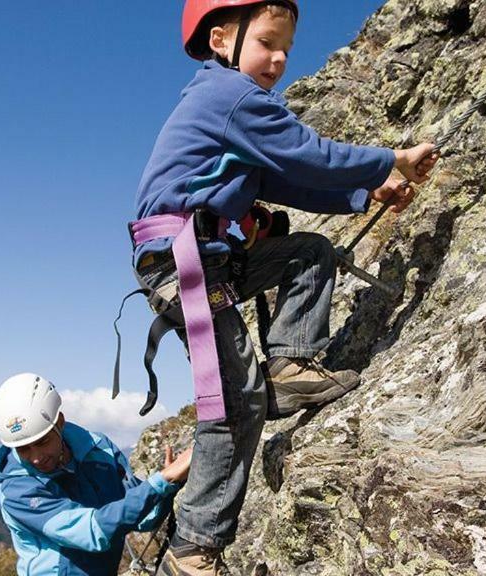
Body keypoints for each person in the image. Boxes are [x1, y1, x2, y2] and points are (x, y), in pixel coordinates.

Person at [130, 1, 439, 573]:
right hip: (185, 265)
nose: (278, 60)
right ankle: (194, 549)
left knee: (308, 252)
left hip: (209, 259)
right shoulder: (230, 97)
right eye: (268, 42)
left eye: (286, 51)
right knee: (233, 400)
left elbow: (286, 179)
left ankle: (290, 364)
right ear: (222, 39)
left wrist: (365, 194)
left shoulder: (229, 109)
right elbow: (308, 153)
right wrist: (388, 160)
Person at [0, 372, 193, 576]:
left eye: (42, 442)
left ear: (59, 422)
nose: (36, 458)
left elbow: (145, 519)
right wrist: (163, 480)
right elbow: (92, 532)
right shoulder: (17, 490)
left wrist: (170, 486)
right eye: (23, 448)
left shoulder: (99, 451)